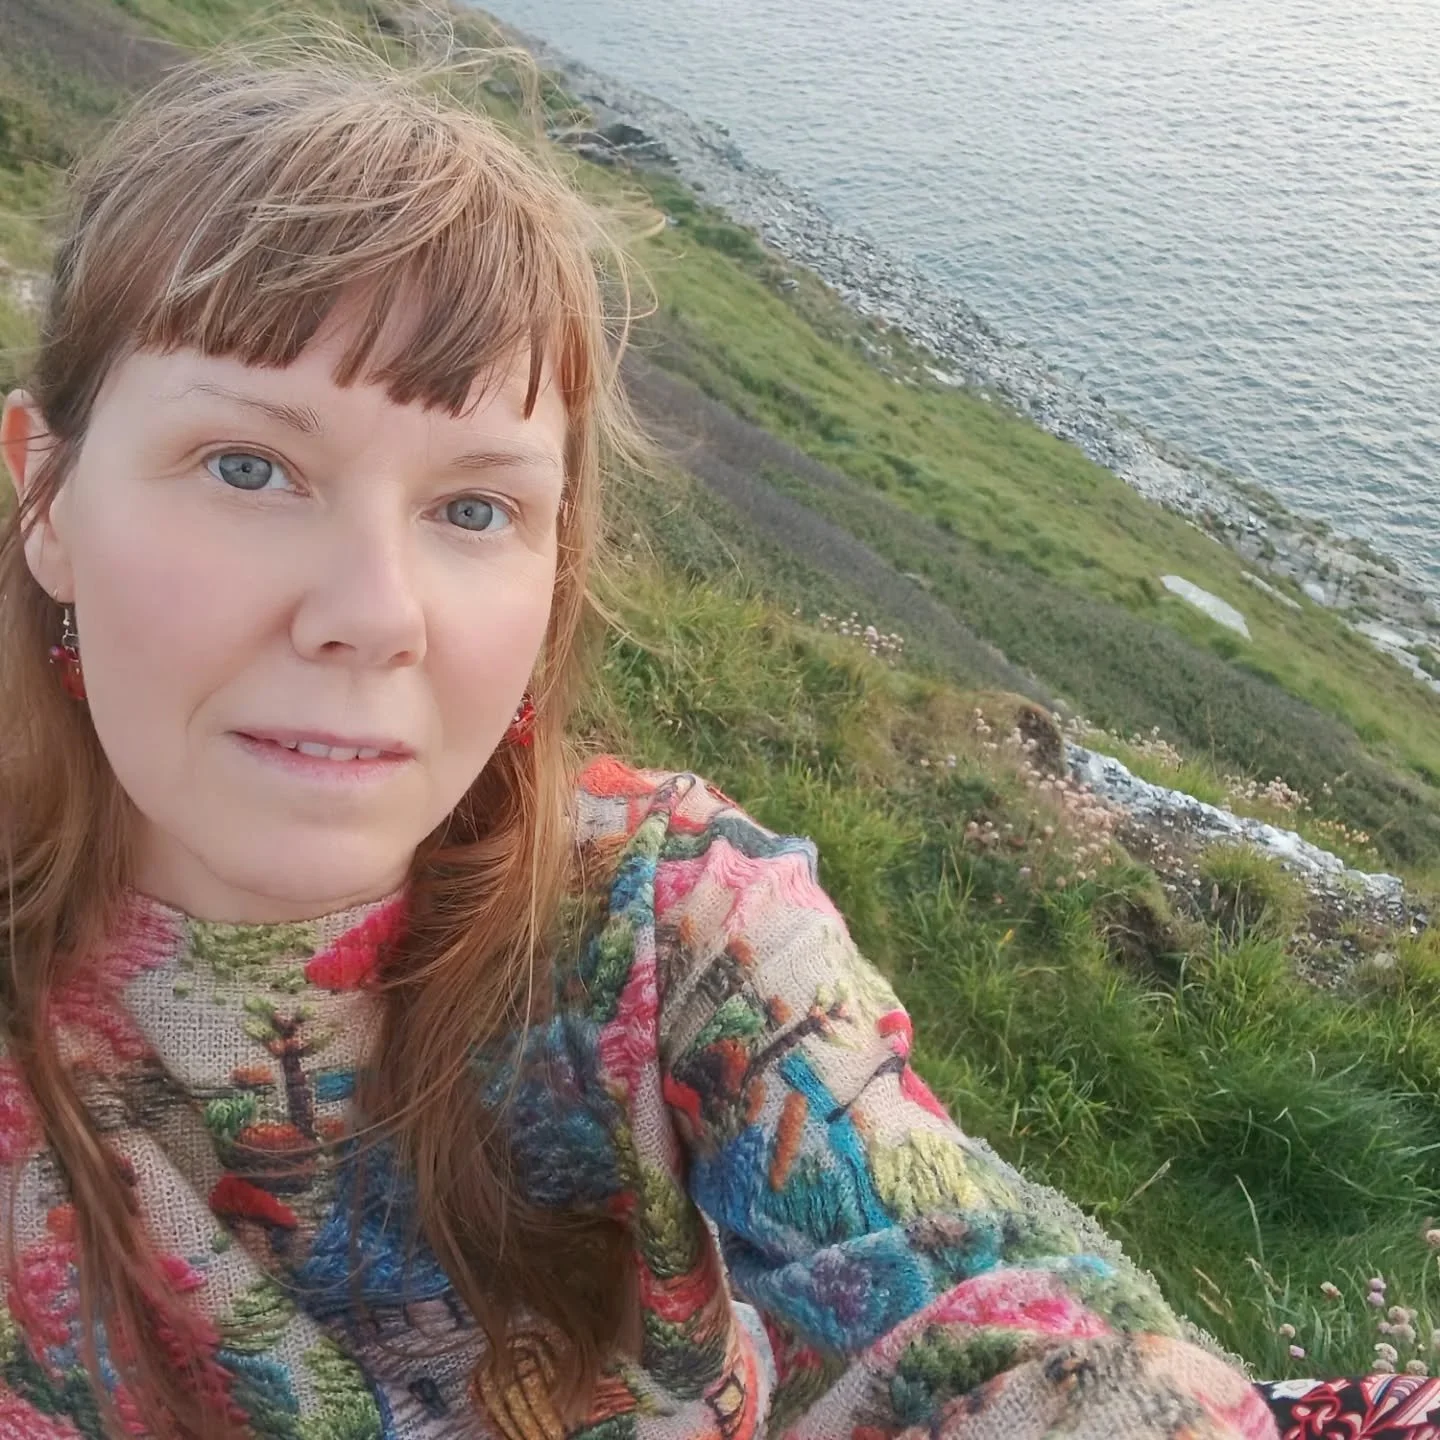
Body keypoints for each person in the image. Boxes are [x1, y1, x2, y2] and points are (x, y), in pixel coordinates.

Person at [0, 29, 1328, 1440]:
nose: (376, 615)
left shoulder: (671, 926)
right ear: (47, 497)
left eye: (472, 508)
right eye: (250, 466)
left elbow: (993, 1320)